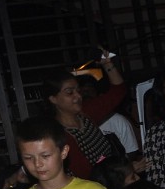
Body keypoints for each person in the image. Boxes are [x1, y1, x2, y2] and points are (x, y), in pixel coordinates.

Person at [42, 50, 128, 180]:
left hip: (113, 181)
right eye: (69, 92)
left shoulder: (86, 112)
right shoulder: (58, 135)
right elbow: (84, 173)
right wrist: (122, 173)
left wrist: (107, 64)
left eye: (78, 90)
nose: (78, 96)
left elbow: (118, 91)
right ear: (53, 99)